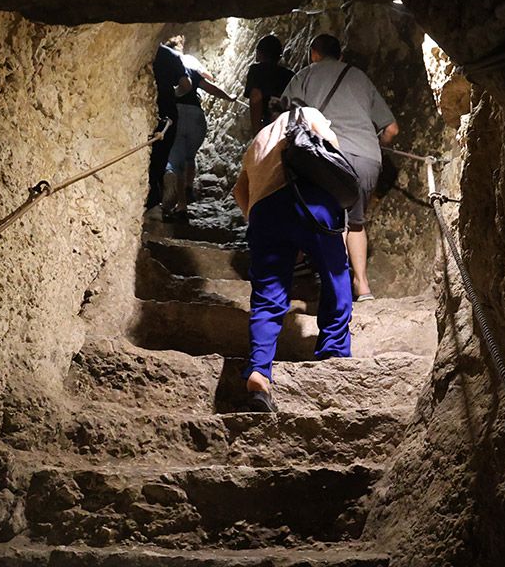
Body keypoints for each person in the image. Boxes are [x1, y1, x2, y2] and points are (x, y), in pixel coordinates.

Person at [232, 107, 354, 412]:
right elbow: (332, 154)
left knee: (267, 295)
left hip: (264, 213)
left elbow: (239, 191)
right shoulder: (306, 113)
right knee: (335, 273)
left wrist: (260, 224)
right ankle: (334, 353)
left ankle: (259, 372)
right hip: (309, 200)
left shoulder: (255, 143)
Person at [282, 34, 399, 301]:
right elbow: (391, 129)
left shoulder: (304, 76)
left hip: (328, 156)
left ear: (314, 53)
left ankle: (337, 288)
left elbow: (287, 118)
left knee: (334, 221)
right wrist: (371, 146)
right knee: (355, 222)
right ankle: (363, 287)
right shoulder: (359, 77)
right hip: (368, 156)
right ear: (341, 56)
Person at [161, 36, 236, 220]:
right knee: (189, 156)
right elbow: (211, 86)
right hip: (196, 116)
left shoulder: (167, 68)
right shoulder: (191, 68)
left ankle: (181, 204)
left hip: (176, 114)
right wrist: (230, 97)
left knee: (175, 160)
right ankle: (188, 188)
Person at [147, 39, 191, 209]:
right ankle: (156, 200)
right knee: (160, 157)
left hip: (142, 108)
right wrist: (173, 95)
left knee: (145, 157)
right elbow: (186, 85)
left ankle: (147, 200)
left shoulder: (144, 51)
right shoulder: (171, 56)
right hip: (167, 112)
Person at [245, 34, 295, 136]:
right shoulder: (290, 75)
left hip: (267, 126)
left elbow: (256, 97)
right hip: (286, 127)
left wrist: (256, 132)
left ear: (259, 53)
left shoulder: (257, 70)